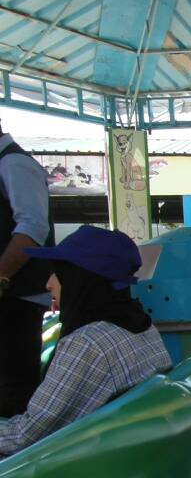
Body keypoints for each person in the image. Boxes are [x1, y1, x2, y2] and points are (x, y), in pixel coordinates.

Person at [0, 226, 172, 459]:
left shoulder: (87, 344)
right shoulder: (143, 328)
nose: (49, 284)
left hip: (81, 469)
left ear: (80, 280)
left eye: (58, 273)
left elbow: (24, 436)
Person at [0, 118, 54, 418]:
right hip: (11, 296)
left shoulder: (14, 163)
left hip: (16, 299)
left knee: (14, 394)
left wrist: (2, 275)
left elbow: (32, 228)